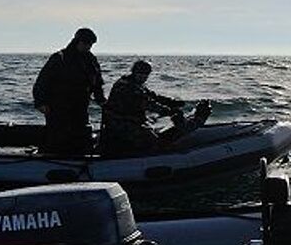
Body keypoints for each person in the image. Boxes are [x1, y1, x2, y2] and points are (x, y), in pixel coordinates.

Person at [100, 60, 206, 158]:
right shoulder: (126, 87)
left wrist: (171, 102)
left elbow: (153, 96)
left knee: (154, 131)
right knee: (155, 143)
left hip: (131, 121)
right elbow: (148, 104)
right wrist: (169, 111)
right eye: (140, 73)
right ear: (134, 72)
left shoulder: (137, 84)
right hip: (120, 124)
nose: (143, 77)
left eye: (146, 74)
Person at [32, 27, 106, 155]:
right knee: (57, 136)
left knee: (79, 134)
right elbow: (42, 82)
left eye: (90, 44)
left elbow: (97, 82)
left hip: (80, 106)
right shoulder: (60, 58)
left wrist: (101, 100)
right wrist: (40, 102)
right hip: (58, 106)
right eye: (86, 43)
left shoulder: (91, 61)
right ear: (77, 41)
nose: (88, 47)